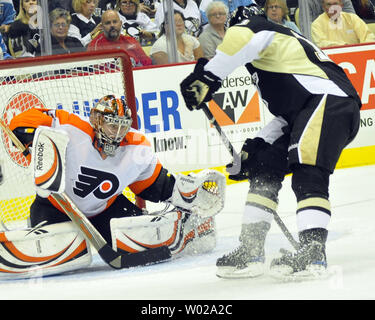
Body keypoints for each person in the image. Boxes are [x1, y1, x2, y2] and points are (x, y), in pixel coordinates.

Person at [180, 4, 362, 280]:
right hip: (311, 108)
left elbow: (242, 36)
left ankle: (313, 251)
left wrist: (207, 77)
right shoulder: (278, 54)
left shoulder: (257, 28)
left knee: (307, 171)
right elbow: (289, 115)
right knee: (264, 164)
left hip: (329, 102)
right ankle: (250, 250)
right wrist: (254, 151)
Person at [8, 95, 225, 253]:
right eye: (112, 125)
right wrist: (26, 133)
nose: (118, 133)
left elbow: (153, 185)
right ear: (96, 120)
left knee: (144, 239)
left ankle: (187, 227)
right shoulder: (70, 127)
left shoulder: (137, 146)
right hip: (54, 206)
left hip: (106, 210)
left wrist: (185, 195)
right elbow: (26, 119)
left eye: (123, 127)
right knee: (52, 250)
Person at [87, 9, 152, 66]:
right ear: (102, 27)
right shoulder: (94, 46)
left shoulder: (131, 41)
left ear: (120, 24)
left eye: (115, 22)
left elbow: (147, 64)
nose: (112, 25)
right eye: (108, 23)